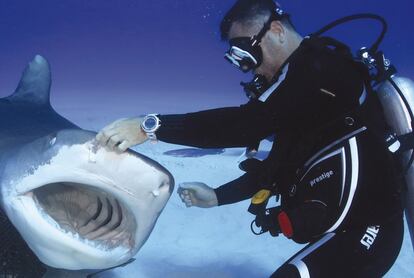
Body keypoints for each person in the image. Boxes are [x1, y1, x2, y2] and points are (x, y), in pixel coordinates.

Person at [96, 0, 404, 277]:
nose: (249, 66)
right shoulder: (301, 99)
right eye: (237, 58)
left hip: (370, 227)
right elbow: (278, 170)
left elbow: (245, 124)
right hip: (342, 228)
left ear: (277, 31)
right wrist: (218, 196)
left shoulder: (321, 70)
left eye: (247, 51)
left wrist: (151, 126)